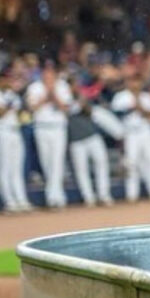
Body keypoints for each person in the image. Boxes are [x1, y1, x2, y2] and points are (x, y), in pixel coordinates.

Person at [0, 64, 31, 212]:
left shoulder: (10, 93)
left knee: (16, 168)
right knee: (4, 168)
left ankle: (21, 200)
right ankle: (9, 202)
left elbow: (19, 114)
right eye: (5, 78)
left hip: (14, 131)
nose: (8, 81)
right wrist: (10, 105)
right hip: (0, 132)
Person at [25, 62, 72, 208]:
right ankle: (54, 195)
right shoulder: (34, 87)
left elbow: (66, 108)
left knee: (57, 162)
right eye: (46, 72)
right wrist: (46, 95)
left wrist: (54, 95)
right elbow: (31, 108)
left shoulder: (63, 86)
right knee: (46, 162)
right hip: (41, 127)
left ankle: (55, 197)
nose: (48, 75)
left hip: (58, 128)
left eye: (51, 72)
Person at [111, 74, 150, 202]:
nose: (135, 84)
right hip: (130, 132)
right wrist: (131, 108)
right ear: (128, 82)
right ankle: (132, 195)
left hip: (145, 131)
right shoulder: (121, 96)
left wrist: (139, 107)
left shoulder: (146, 97)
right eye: (132, 81)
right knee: (131, 163)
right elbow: (116, 113)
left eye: (137, 82)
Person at [66, 76, 113, 207]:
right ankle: (88, 198)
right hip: (76, 139)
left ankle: (104, 195)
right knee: (81, 170)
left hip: (92, 135)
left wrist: (83, 98)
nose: (76, 87)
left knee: (101, 163)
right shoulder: (64, 99)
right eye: (73, 85)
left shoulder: (82, 96)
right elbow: (67, 111)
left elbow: (89, 111)